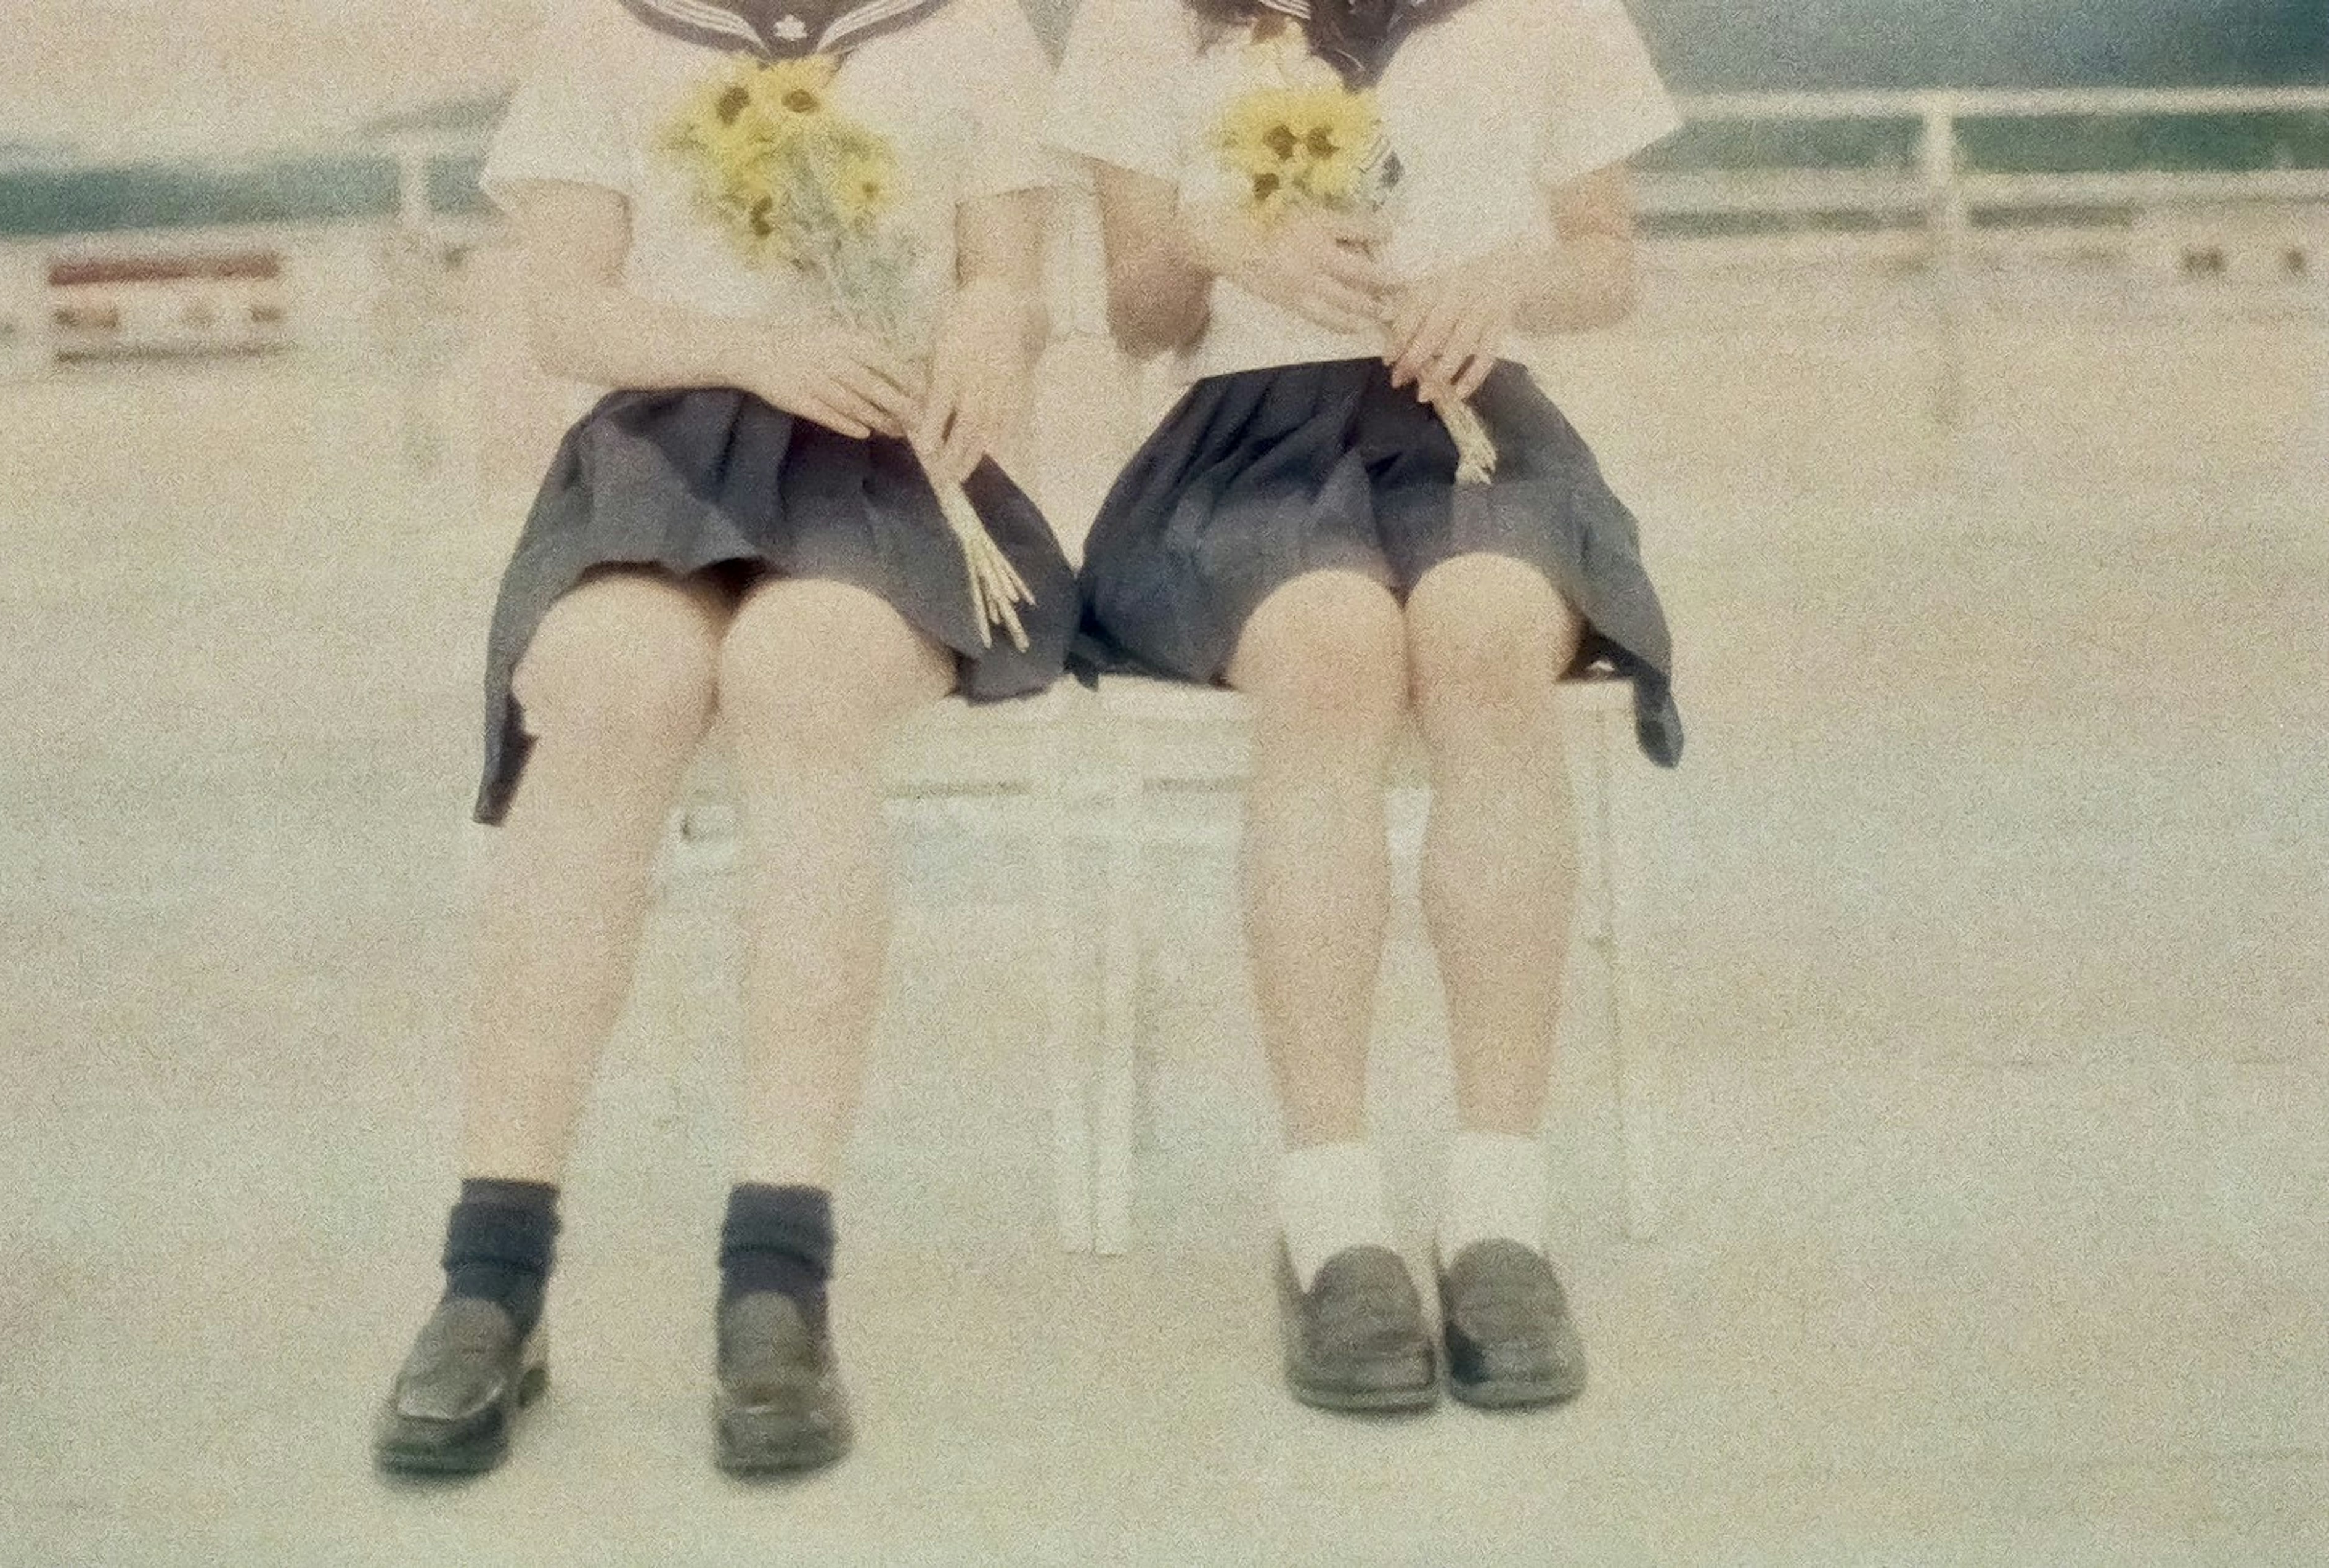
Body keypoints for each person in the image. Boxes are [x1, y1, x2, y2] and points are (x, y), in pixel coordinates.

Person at [371, 0, 1076, 1476]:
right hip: (669, 456)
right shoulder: (610, 31)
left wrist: (987, 328)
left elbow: (1011, 274)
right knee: (615, 689)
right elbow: (568, 308)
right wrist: (752, 350)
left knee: (799, 674)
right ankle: (490, 1274)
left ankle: (777, 1275)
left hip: (885, 476)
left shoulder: (972, 30)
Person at [1050, 0, 1683, 1412]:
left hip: (1475, 427)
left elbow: (1608, 262)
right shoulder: (1143, 20)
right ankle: (1332, 1208)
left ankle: (1498, 1204)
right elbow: (1135, 310)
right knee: (1329, 648)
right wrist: (1216, 237)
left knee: (1486, 633)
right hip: (1244, 442)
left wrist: (1503, 276)